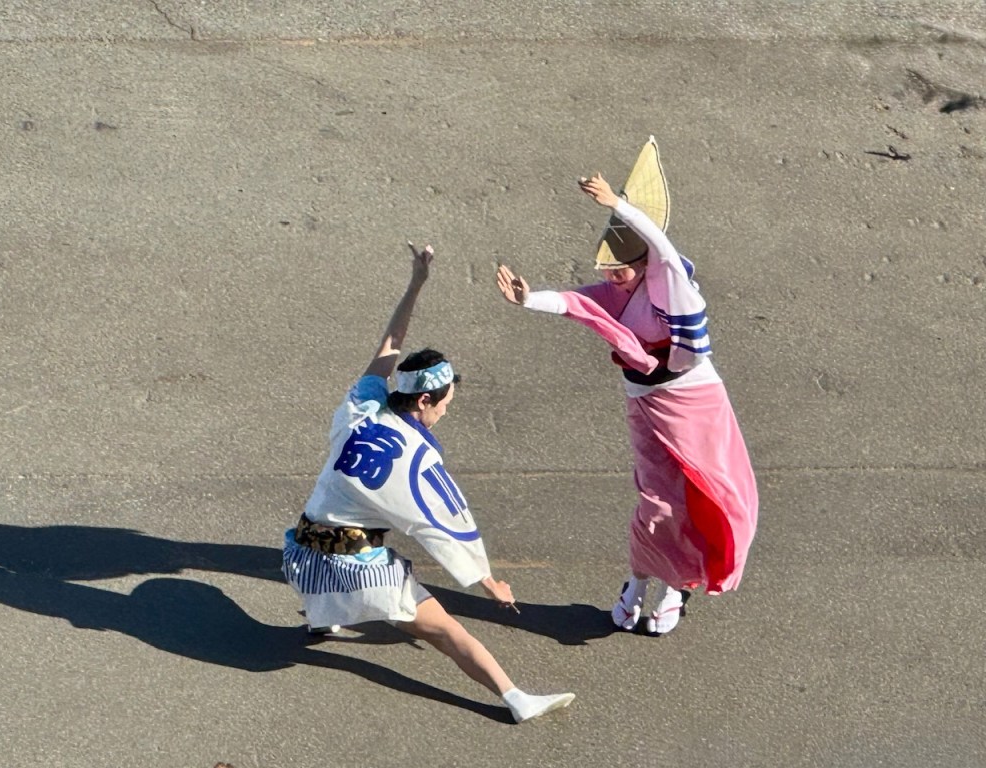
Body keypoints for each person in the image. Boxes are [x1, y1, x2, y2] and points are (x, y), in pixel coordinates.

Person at [282, 242, 574, 723]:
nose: (445, 412)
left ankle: (326, 617)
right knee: (446, 632)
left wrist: (416, 284)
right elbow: (443, 526)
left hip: (300, 558)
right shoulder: (415, 459)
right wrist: (488, 582)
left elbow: (388, 346)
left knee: (337, 538)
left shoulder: (363, 406)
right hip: (357, 569)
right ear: (424, 402)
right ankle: (517, 698)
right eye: (445, 404)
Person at [496, 173, 759, 636]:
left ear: (646, 264)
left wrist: (618, 205)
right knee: (655, 502)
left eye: (620, 269)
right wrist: (528, 300)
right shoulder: (615, 293)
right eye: (607, 270)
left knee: (703, 497)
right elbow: (574, 303)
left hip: (694, 399)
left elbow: (665, 247)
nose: (611, 277)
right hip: (643, 398)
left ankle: (675, 586)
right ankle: (637, 580)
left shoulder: (671, 284)